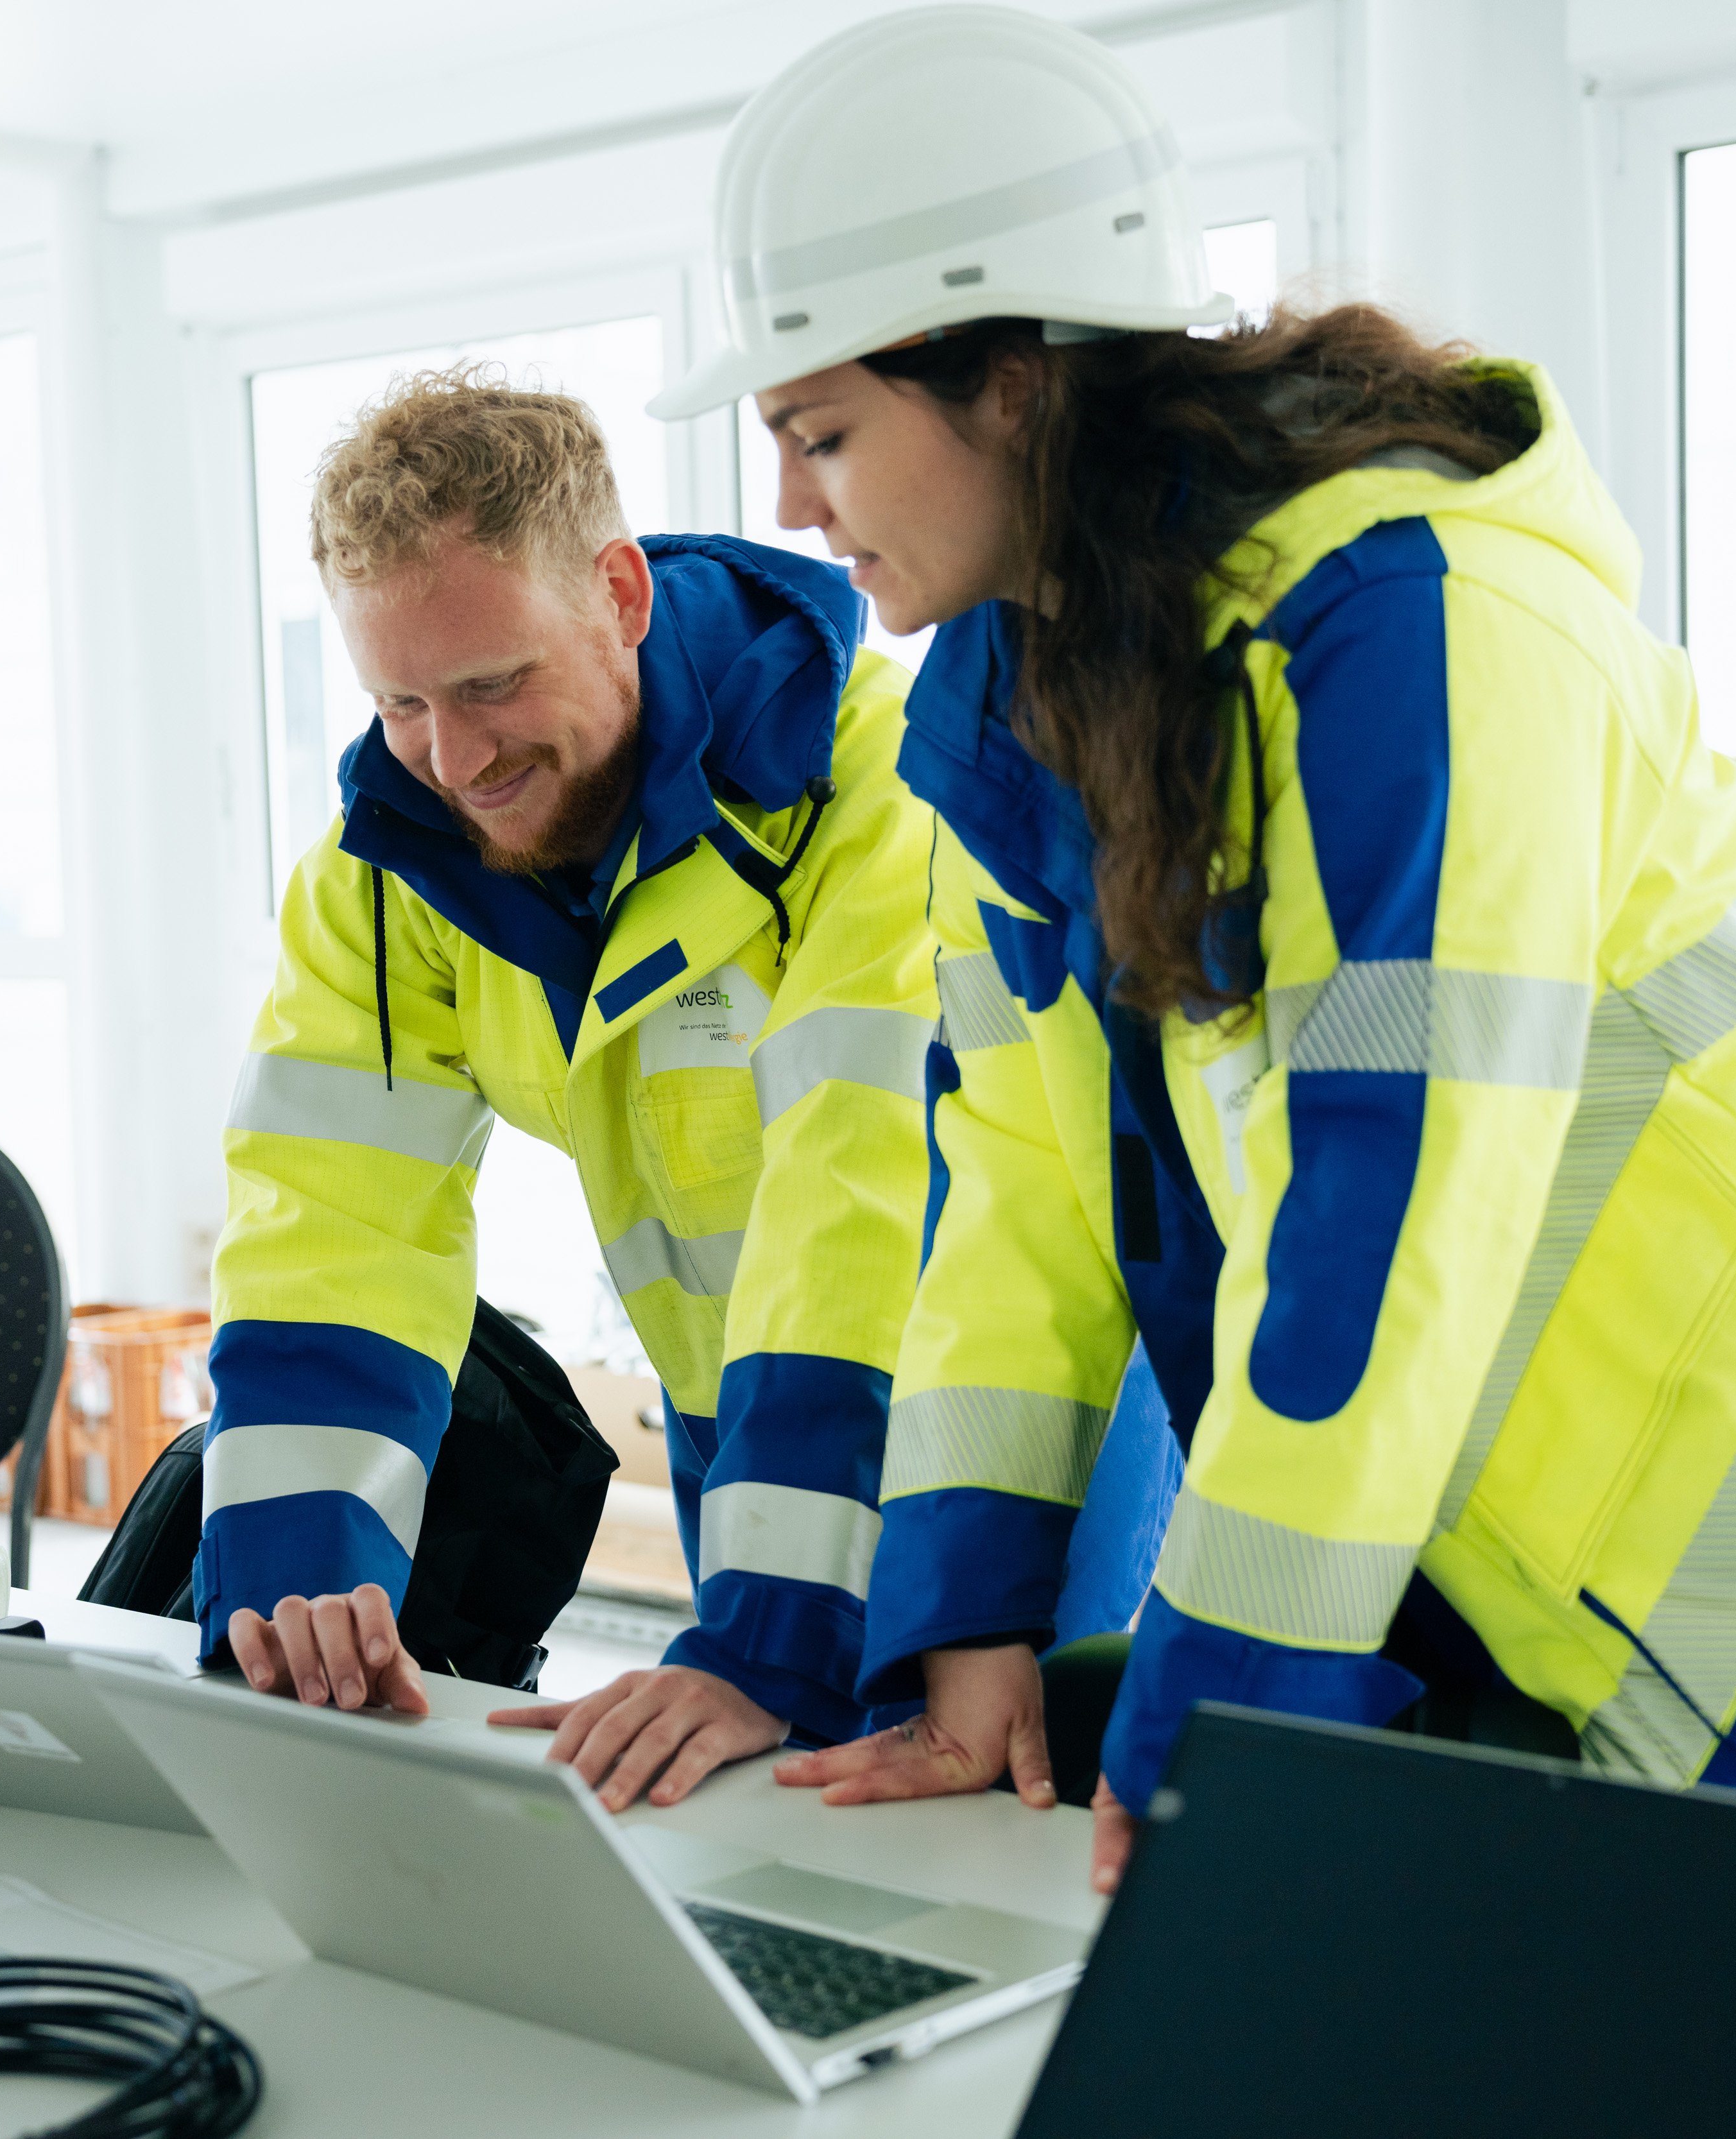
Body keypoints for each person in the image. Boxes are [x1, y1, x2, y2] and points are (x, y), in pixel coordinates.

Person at [648, 4, 1736, 1887]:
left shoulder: (1417, 624)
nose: (787, 508)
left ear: (1011, 378)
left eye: (821, 431)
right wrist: (974, 1604)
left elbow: (1397, 1197)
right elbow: (1018, 1182)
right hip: (1466, 1538)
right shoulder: (1020, 703)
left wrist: (1221, 1711)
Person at [197, 369, 1164, 1812]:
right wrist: (297, 1593)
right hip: (743, 1406)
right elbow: (332, 1224)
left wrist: (767, 1638)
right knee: (768, 1816)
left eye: (490, 684)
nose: (452, 760)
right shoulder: (383, 869)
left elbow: (867, 1194)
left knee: (996, 1834)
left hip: (994, 1401)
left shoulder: (878, 781)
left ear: (621, 592)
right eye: (398, 699)